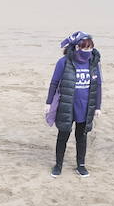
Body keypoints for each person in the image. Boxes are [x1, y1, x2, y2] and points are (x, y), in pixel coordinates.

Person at [44, 31, 102, 177]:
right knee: (63, 134)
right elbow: (54, 82)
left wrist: (98, 107)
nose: (88, 51)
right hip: (67, 105)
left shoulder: (94, 62)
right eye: (85, 47)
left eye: (90, 48)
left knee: (81, 136)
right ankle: (58, 165)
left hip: (85, 106)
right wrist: (49, 102)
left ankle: (81, 165)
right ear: (77, 47)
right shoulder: (63, 62)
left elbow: (98, 85)